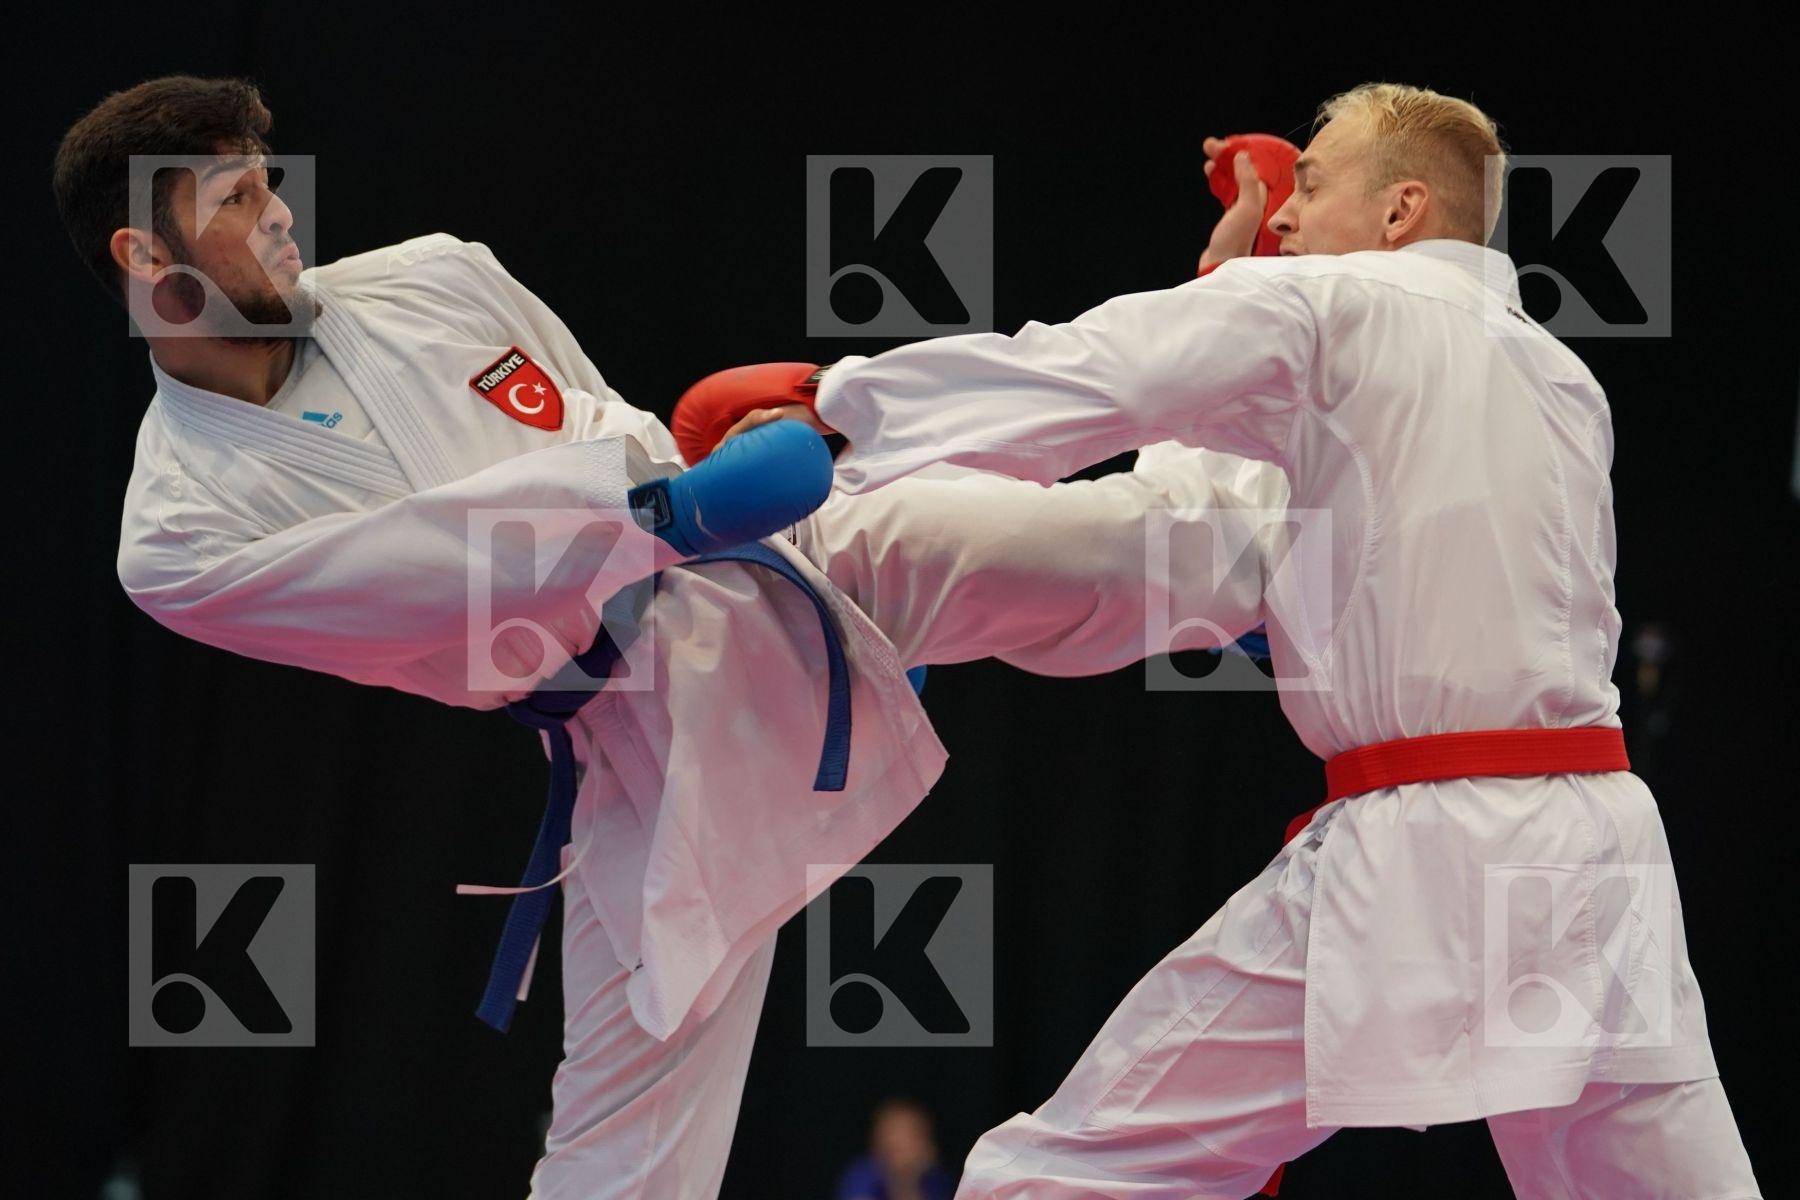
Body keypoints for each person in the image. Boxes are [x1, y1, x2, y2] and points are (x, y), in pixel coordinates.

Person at [59, 76, 1290, 1198]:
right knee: (621, 1157)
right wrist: (664, 508)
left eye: (272, 181)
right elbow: (445, 587)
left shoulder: (427, 276)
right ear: (143, 253)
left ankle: (1272, 305)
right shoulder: (182, 536)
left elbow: (594, 410)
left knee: (1110, 540)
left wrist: (686, 474)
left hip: (776, 559)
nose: (281, 215)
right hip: (637, 740)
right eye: (237, 196)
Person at [784, 82, 1762, 1199]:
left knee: (1061, 1176)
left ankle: (811, 551)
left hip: (1429, 846)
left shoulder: (1333, 310)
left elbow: (1100, 374)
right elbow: (1259, 505)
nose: (1284, 210)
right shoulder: (1562, 375)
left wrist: (839, 409)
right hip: (1596, 846)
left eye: (1310, 180)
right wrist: (1232, 288)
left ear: (1398, 214)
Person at [835, 1098, 956, 1200]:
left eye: (917, 1133)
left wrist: (910, 1179)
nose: (909, 1142)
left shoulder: (933, 1176)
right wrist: (900, 1179)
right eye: (900, 1132)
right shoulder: (862, 1172)